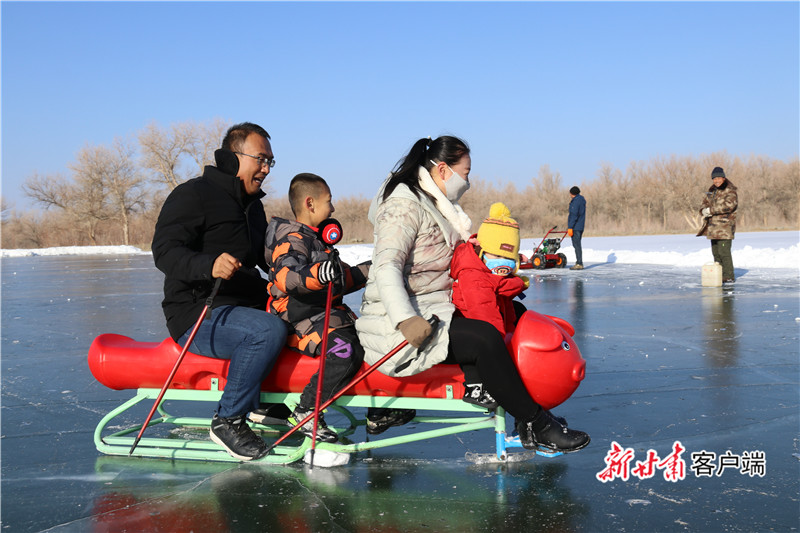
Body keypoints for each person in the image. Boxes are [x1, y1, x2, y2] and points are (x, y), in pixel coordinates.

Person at [356, 135, 590, 453]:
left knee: (513, 316)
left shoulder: (439, 206)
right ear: (442, 170)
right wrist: (405, 320)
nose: (468, 180)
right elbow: (385, 267)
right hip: (399, 322)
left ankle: (528, 413)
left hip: (433, 306)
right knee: (484, 339)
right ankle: (537, 424)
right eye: (464, 172)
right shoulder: (403, 206)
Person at [151, 122, 288, 462]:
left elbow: (262, 258)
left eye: (271, 161)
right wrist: (208, 265)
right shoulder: (193, 194)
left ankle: (266, 403)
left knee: (298, 313)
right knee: (265, 330)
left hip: (243, 307)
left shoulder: (252, 206)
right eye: (261, 159)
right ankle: (228, 419)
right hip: (197, 313)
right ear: (233, 156)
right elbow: (164, 251)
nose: (267, 168)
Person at [264, 173, 370, 442]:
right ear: (310, 203)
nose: (333, 208)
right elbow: (286, 276)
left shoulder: (316, 239)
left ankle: (382, 410)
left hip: (326, 315)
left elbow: (338, 279)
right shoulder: (292, 238)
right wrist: (318, 273)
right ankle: (306, 410)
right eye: (329, 201)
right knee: (345, 352)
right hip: (299, 320)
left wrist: (374, 268)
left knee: (377, 338)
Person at [450, 202, 528, 409]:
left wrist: (511, 330)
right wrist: (501, 349)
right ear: (482, 252)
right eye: (496, 256)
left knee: (516, 315)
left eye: (508, 258)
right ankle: (475, 388)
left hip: (480, 323)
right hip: (467, 325)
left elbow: (505, 306)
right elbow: (485, 316)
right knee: (478, 344)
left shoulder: (492, 275)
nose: (502, 262)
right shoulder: (474, 276)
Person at [698, 166, 738, 282]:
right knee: (716, 253)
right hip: (713, 228)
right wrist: (703, 211)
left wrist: (711, 210)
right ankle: (719, 275)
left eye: (718, 178)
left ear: (724, 178)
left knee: (724, 252)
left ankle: (729, 276)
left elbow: (729, 206)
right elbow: (703, 205)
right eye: (714, 179)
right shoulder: (711, 192)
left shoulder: (730, 191)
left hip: (724, 228)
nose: (716, 181)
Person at [567, 186, 586, 270]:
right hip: (580, 226)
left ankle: (579, 263)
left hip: (575, 227)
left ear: (572, 193)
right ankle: (579, 262)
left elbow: (574, 214)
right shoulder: (581, 200)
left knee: (577, 245)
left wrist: (570, 227)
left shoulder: (576, 202)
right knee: (577, 245)